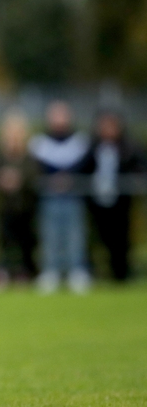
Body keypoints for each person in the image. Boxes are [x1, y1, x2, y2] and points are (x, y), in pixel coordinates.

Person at [29, 100, 90, 294]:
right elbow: (36, 169)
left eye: (62, 115)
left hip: (73, 195)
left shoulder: (80, 141)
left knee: (74, 233)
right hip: (49, 196)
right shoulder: (40, 143)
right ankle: (51, 271)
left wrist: (68, 178)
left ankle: (76, 271)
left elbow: (85, 165)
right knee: (50, 234)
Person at [82, 109, 142, 282]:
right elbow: (83, 167)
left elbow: (139, 166)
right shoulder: (93, 147)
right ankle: (94, 272)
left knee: (121, 239)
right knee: (97, 238)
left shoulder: (129, 147)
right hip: (97, 202)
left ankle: (121, 273)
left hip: (121, 202)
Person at [0, 110, 38, 289]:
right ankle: (3, 271)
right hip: (4, 207)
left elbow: (33, 175)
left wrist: (19, 179)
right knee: (4, 241)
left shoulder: (29, 156)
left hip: (25, 207)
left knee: (25, 241)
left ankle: (24, 272)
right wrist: (3, 179)